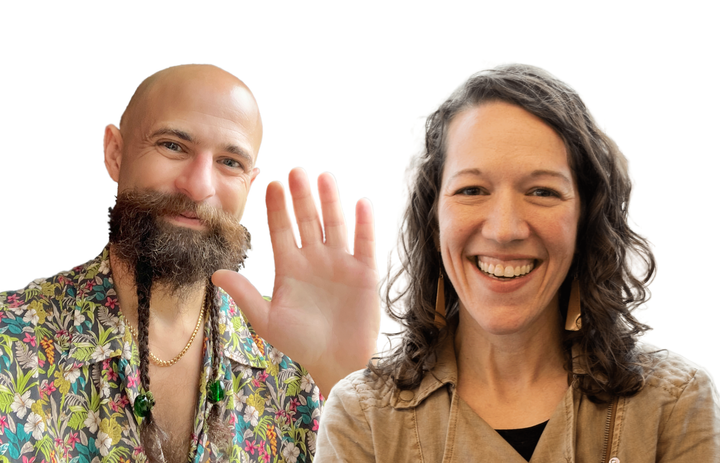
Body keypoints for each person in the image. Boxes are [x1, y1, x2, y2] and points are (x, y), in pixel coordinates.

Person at [314, 64, 720, 462]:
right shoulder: (361, 417)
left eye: (542, 191)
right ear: (433, 219)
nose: (505, 229)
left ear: (586, 220)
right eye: (472, 189)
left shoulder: (675, 402)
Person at [0, 64, 379, 463]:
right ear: (116, 152)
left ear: (249, 183)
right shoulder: (10, 341)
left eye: (230, 162)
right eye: (173, 146)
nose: (199, 186)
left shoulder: (300, 358)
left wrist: (351, 384)